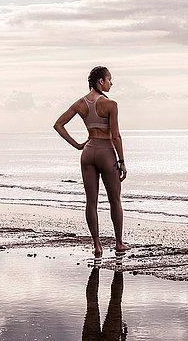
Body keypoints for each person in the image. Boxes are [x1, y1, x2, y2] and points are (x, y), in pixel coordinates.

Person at [54, 66, 129, 257]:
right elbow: (116, 136)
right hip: (106, 152)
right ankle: (118, 243)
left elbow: (58, 125)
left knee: (91, 202)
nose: (111, 83)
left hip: (88, 153)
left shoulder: (80, 103)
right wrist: (121, 160)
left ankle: (97, 245)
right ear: (100, 82)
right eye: (109, 79)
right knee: (115, 200)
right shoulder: (110, 104)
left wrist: (78, 145)